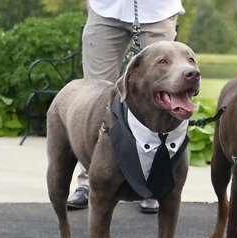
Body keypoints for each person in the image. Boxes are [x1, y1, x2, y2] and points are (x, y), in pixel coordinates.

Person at [67, 0, 185, 214]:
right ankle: (88, 181)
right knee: (96, 97)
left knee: (159, 95)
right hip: (105, 7)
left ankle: (155, 183)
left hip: (157, 10)